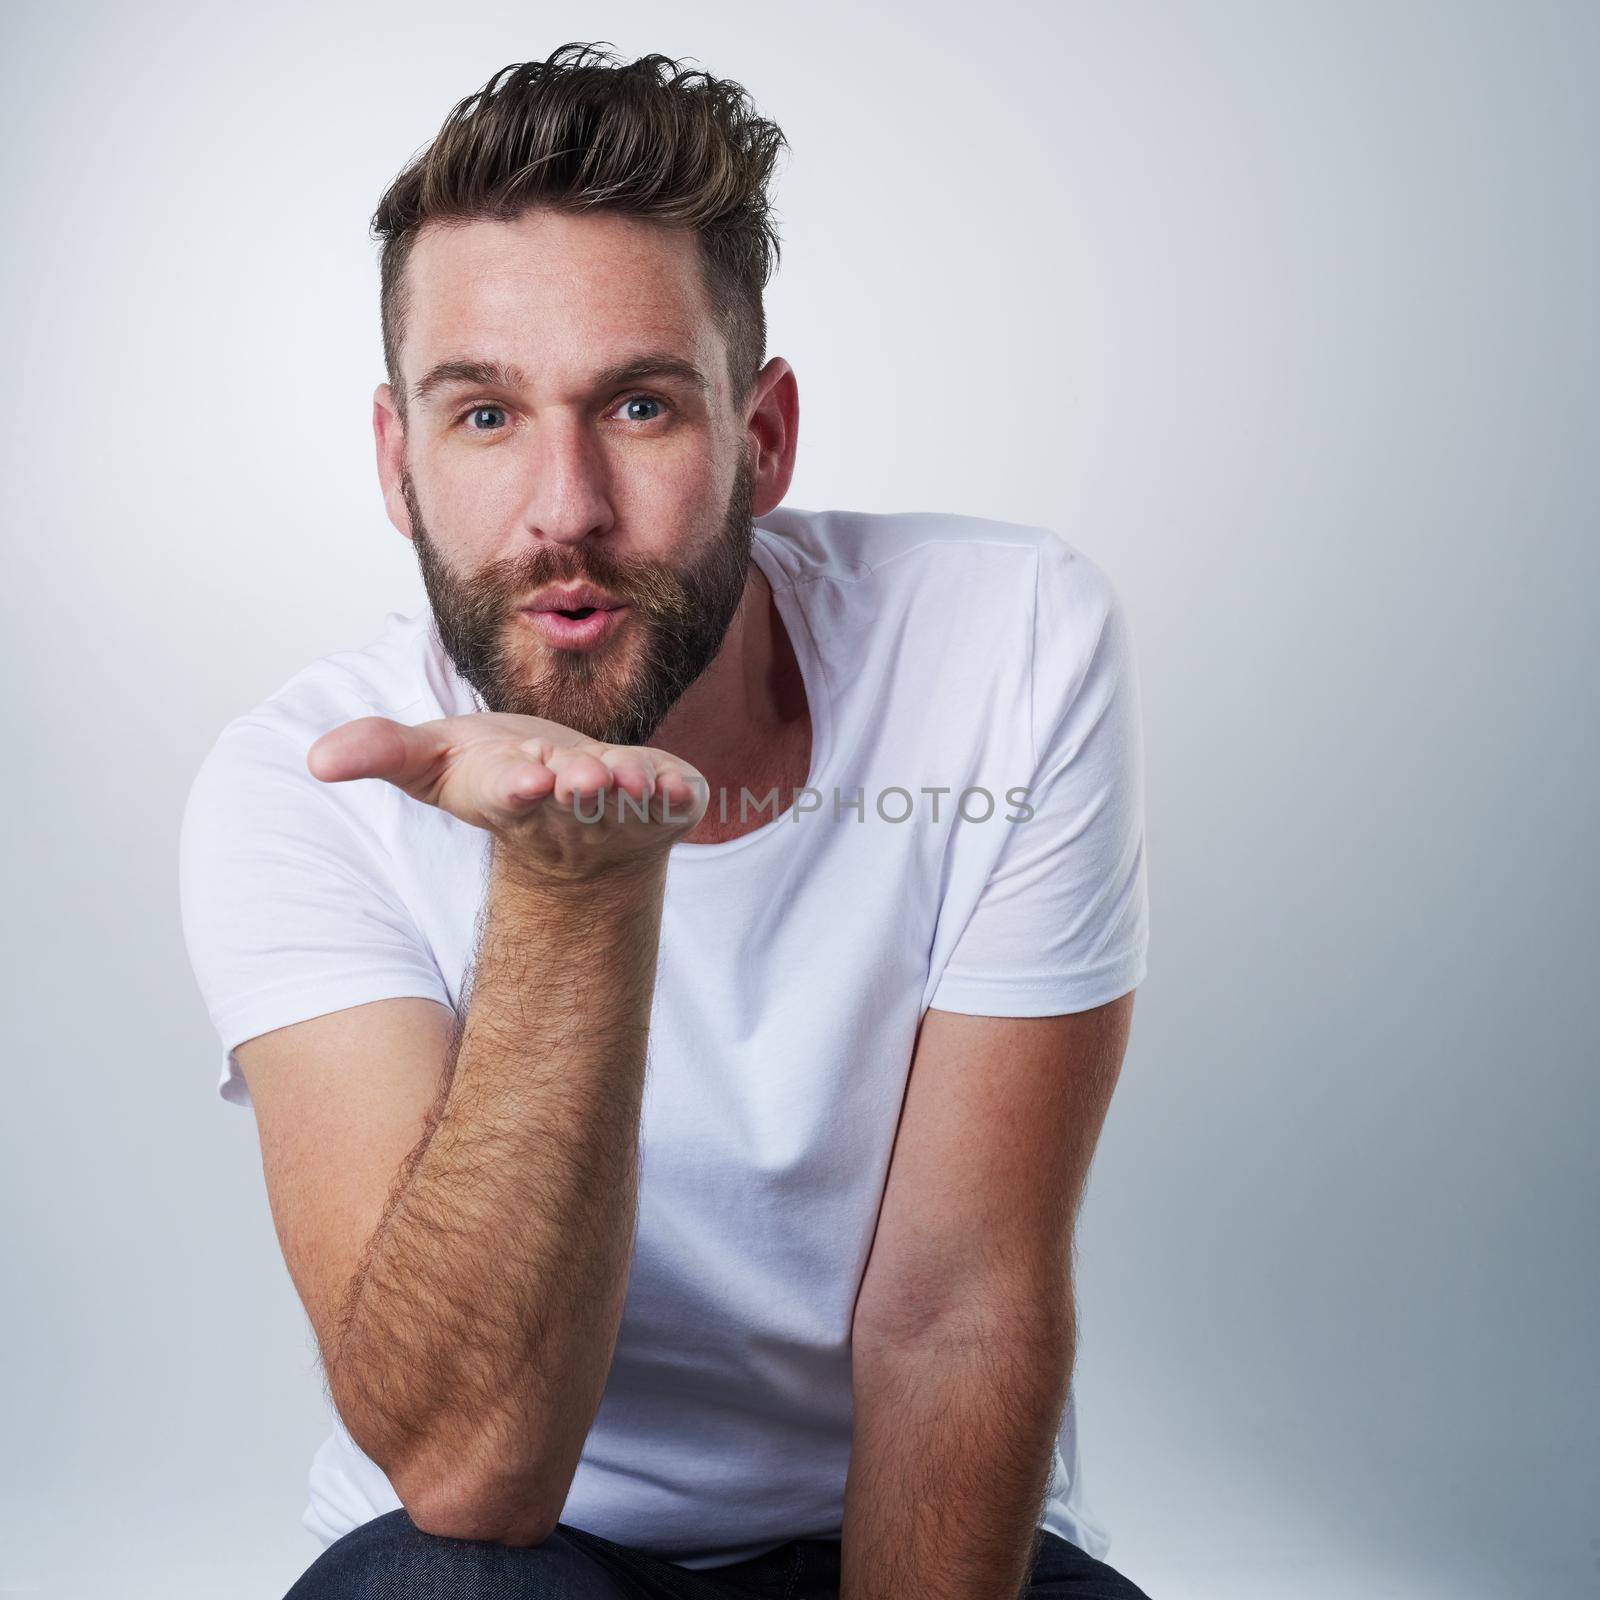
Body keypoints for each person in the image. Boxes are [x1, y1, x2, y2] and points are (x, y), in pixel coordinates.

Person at [178, 41, 1153, 1600]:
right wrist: (577, 887)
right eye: (482, 417)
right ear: (398, 464)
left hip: (884, 1527)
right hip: (511, 1550)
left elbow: (953, 1308)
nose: (563, 506)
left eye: (637, 405)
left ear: (760, 437)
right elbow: (467, 1465)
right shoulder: (304, 783)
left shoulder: (1007, 641)